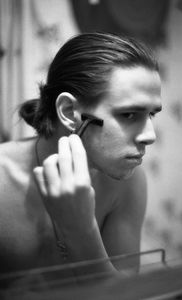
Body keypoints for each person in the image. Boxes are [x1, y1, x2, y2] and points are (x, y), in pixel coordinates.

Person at [0, 33, 162, 277]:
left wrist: (81, 229)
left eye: (151, 115)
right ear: (68, 112)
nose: (150, 136)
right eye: (129, 114)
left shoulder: (129, 182)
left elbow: (126, 295)